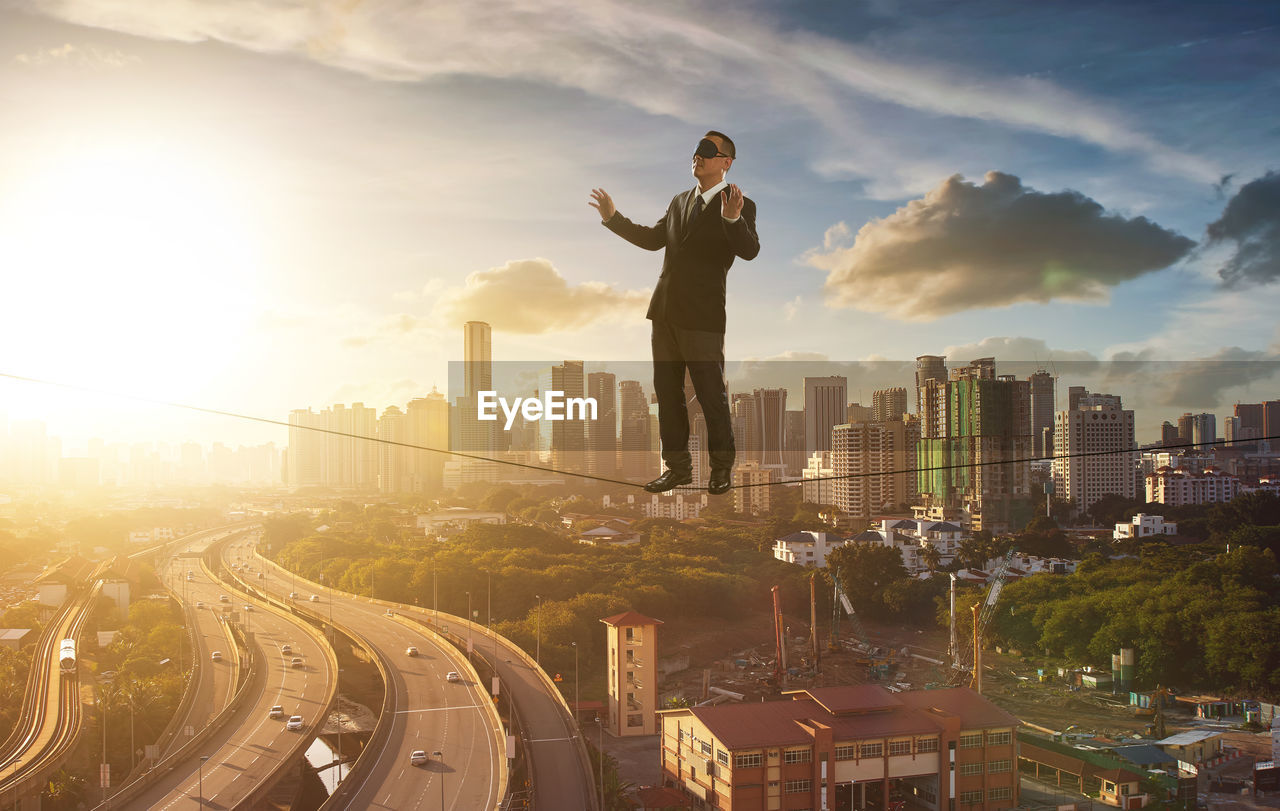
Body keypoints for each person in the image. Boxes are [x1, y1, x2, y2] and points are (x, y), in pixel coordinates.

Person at [589, 131, 760, 495]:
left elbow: (750, 251)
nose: (697, 155)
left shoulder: (740, 203)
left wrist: (732, 220)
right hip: (664, 313)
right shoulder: (680, 201)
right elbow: (653, 239)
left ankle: (720, 470)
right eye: (696, 149)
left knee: (711, 396)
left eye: (707, 151)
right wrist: (613, 218)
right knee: (667, 396)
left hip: (702, 318)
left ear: (726, 162)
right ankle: (678, 469)